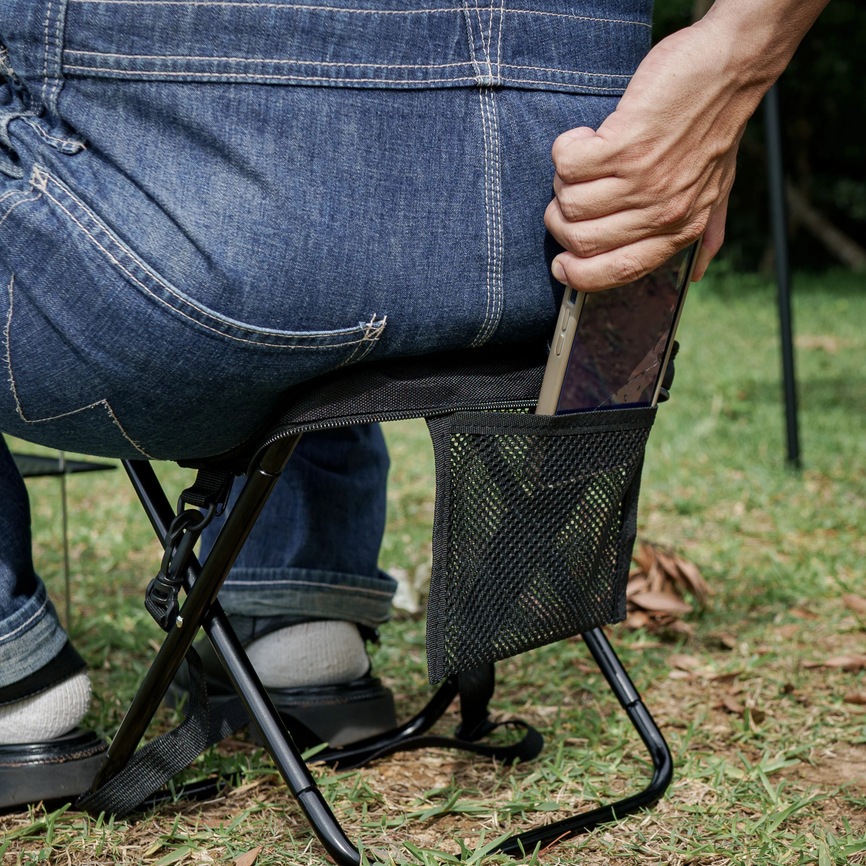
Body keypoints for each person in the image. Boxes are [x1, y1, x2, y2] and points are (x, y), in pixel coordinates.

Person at [0, 0, 828, 807]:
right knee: (332, 230)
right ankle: (296, 613)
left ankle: (16, 672)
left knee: (295, 218)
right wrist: (730, 63)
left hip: (190, 269)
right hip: (569, 233)